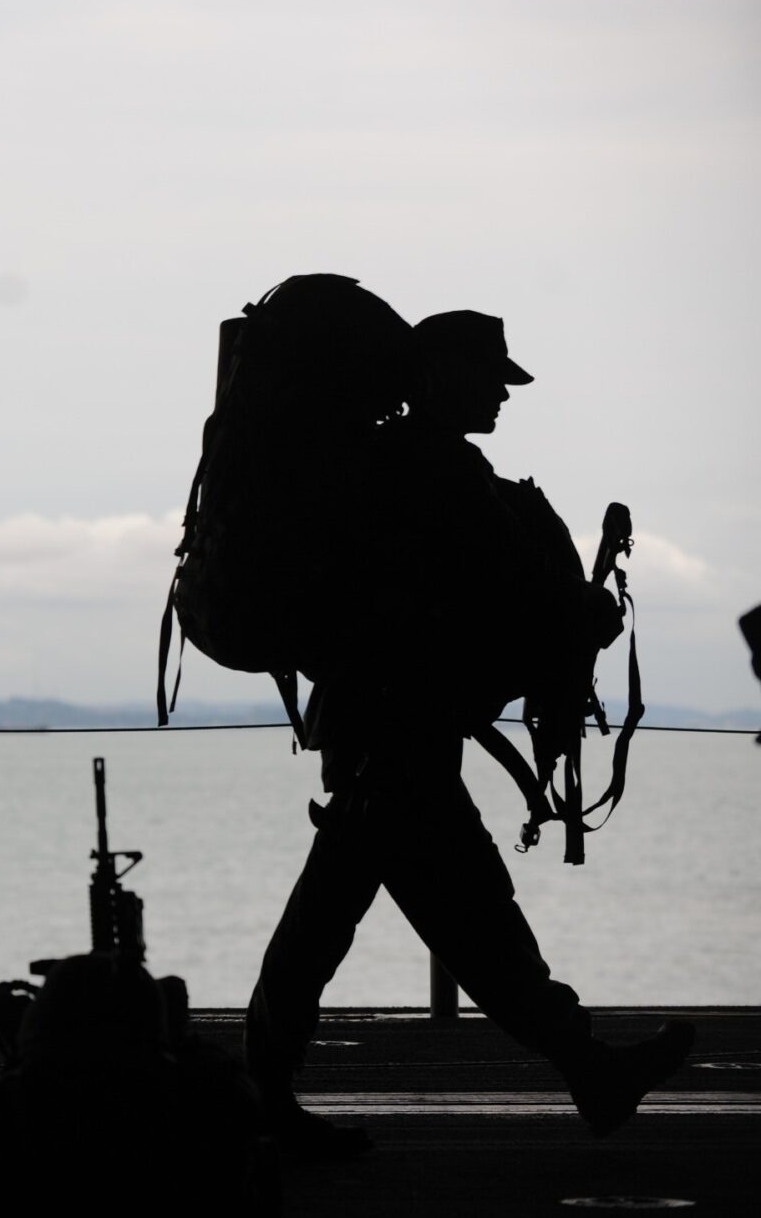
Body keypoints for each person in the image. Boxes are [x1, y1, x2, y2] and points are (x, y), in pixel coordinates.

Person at [243, 306, 694, 1156]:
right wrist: (593, 609)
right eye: (490, 378)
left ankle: (262, 1088)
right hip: (397, 735)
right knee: (467, 923)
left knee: (372, 919)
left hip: (383, 730)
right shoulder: (436, 469)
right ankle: (587, 1066)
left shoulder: (395, 464)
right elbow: (521, 588)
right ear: (440, 376)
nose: (501, 394)